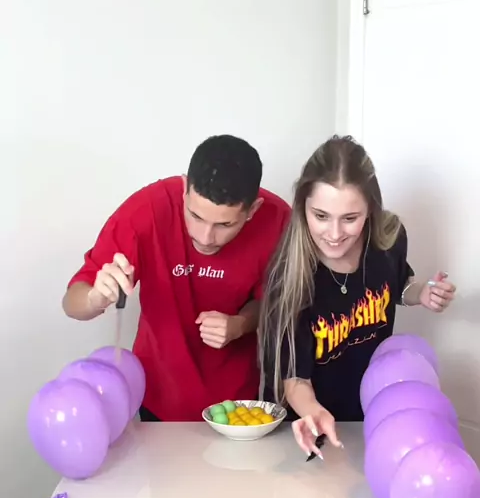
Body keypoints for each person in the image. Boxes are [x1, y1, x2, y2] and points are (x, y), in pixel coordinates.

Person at [63, 135, 290, 421]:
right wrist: (95, 299)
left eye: (224, 224)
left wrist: (240, 324)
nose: (205, 237)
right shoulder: (147, 209)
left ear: (252, 210)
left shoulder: (279, 220)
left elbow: (279, 303)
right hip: (157, 397)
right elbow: (71, 303)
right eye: (195, 215)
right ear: (185, 189)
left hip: (241, 405)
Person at [259, 135, 456, 456]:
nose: (335, 234)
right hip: (310, 427)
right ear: (303, 207)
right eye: (321, 216)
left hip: (372, 415)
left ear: (370, 211)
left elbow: (397, 284)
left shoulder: (389, 238)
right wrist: (314, 412)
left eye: (350, 218)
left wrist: (422, 293)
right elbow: (294, 378)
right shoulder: (289, 277)